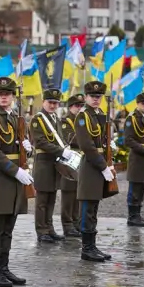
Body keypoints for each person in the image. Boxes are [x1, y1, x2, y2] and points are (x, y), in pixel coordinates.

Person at [0, 76, 34, 287]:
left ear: (12, 96)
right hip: (3, 177)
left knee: (8, 226)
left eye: (7, 94)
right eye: (0, 94)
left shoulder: (16, 118)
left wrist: (28, 150)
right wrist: (15, 171)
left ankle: (4, 268)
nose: (4, 97)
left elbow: (20, 148)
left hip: (15, 176)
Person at [74, 80, 117, 262]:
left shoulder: (100, 114)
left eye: (98, 97)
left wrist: (109, 158)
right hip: (91, 165)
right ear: (86, 97)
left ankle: (92, 246)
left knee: (94, 207)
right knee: (87, 208)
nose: (96, 100)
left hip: (100, 164)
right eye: (92, 97)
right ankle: (86, 248)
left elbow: (103, 142)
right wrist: (103, 166)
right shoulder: (83, 116)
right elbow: (87, 146)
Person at [30, 88, 73, 243]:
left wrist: (65, 148)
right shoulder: (38, 119)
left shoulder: (55, 118)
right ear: (44, 102)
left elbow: (59, 139)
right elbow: (40, 141)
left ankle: (50, 228)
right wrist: (61, 151)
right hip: (43, 163)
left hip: (55, 164)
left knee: (51, 198)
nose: (53, 105)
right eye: (50, 102)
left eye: (56, 103)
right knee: (42, 200)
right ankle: (41, 231)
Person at [122, 92, 144, 226]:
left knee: (142, 187)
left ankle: (138, 215)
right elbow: (128, 140)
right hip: (137, 158)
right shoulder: (132, 118)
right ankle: (132, 217)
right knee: (135, 187)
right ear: (137, 104)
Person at [59, 94, 85, 237]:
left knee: (77, 193)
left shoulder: (82, 120)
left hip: (80, 160)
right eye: (77, 106)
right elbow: (72, 139)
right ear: (70, 107)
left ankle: (76, 222)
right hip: (69, 160)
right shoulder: (65, 121)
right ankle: (67, 224)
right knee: (68, 193)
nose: (80, 108)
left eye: (82, 106)